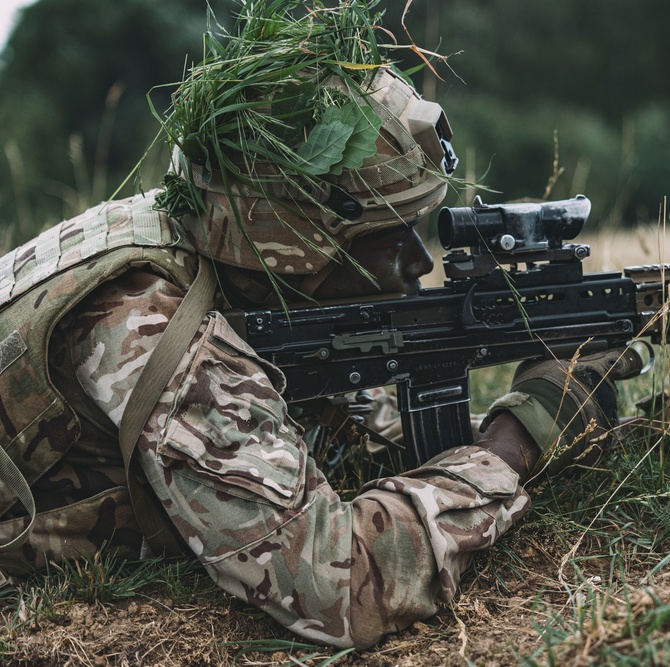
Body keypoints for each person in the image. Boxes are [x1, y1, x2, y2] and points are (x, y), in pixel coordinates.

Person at [0, 2, 634, 649]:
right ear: (293, 244)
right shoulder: (154, 330)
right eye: (389, 238)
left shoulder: (214, 241)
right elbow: (335, 586)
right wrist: (510, 445)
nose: (418, 263)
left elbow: (328, 435)